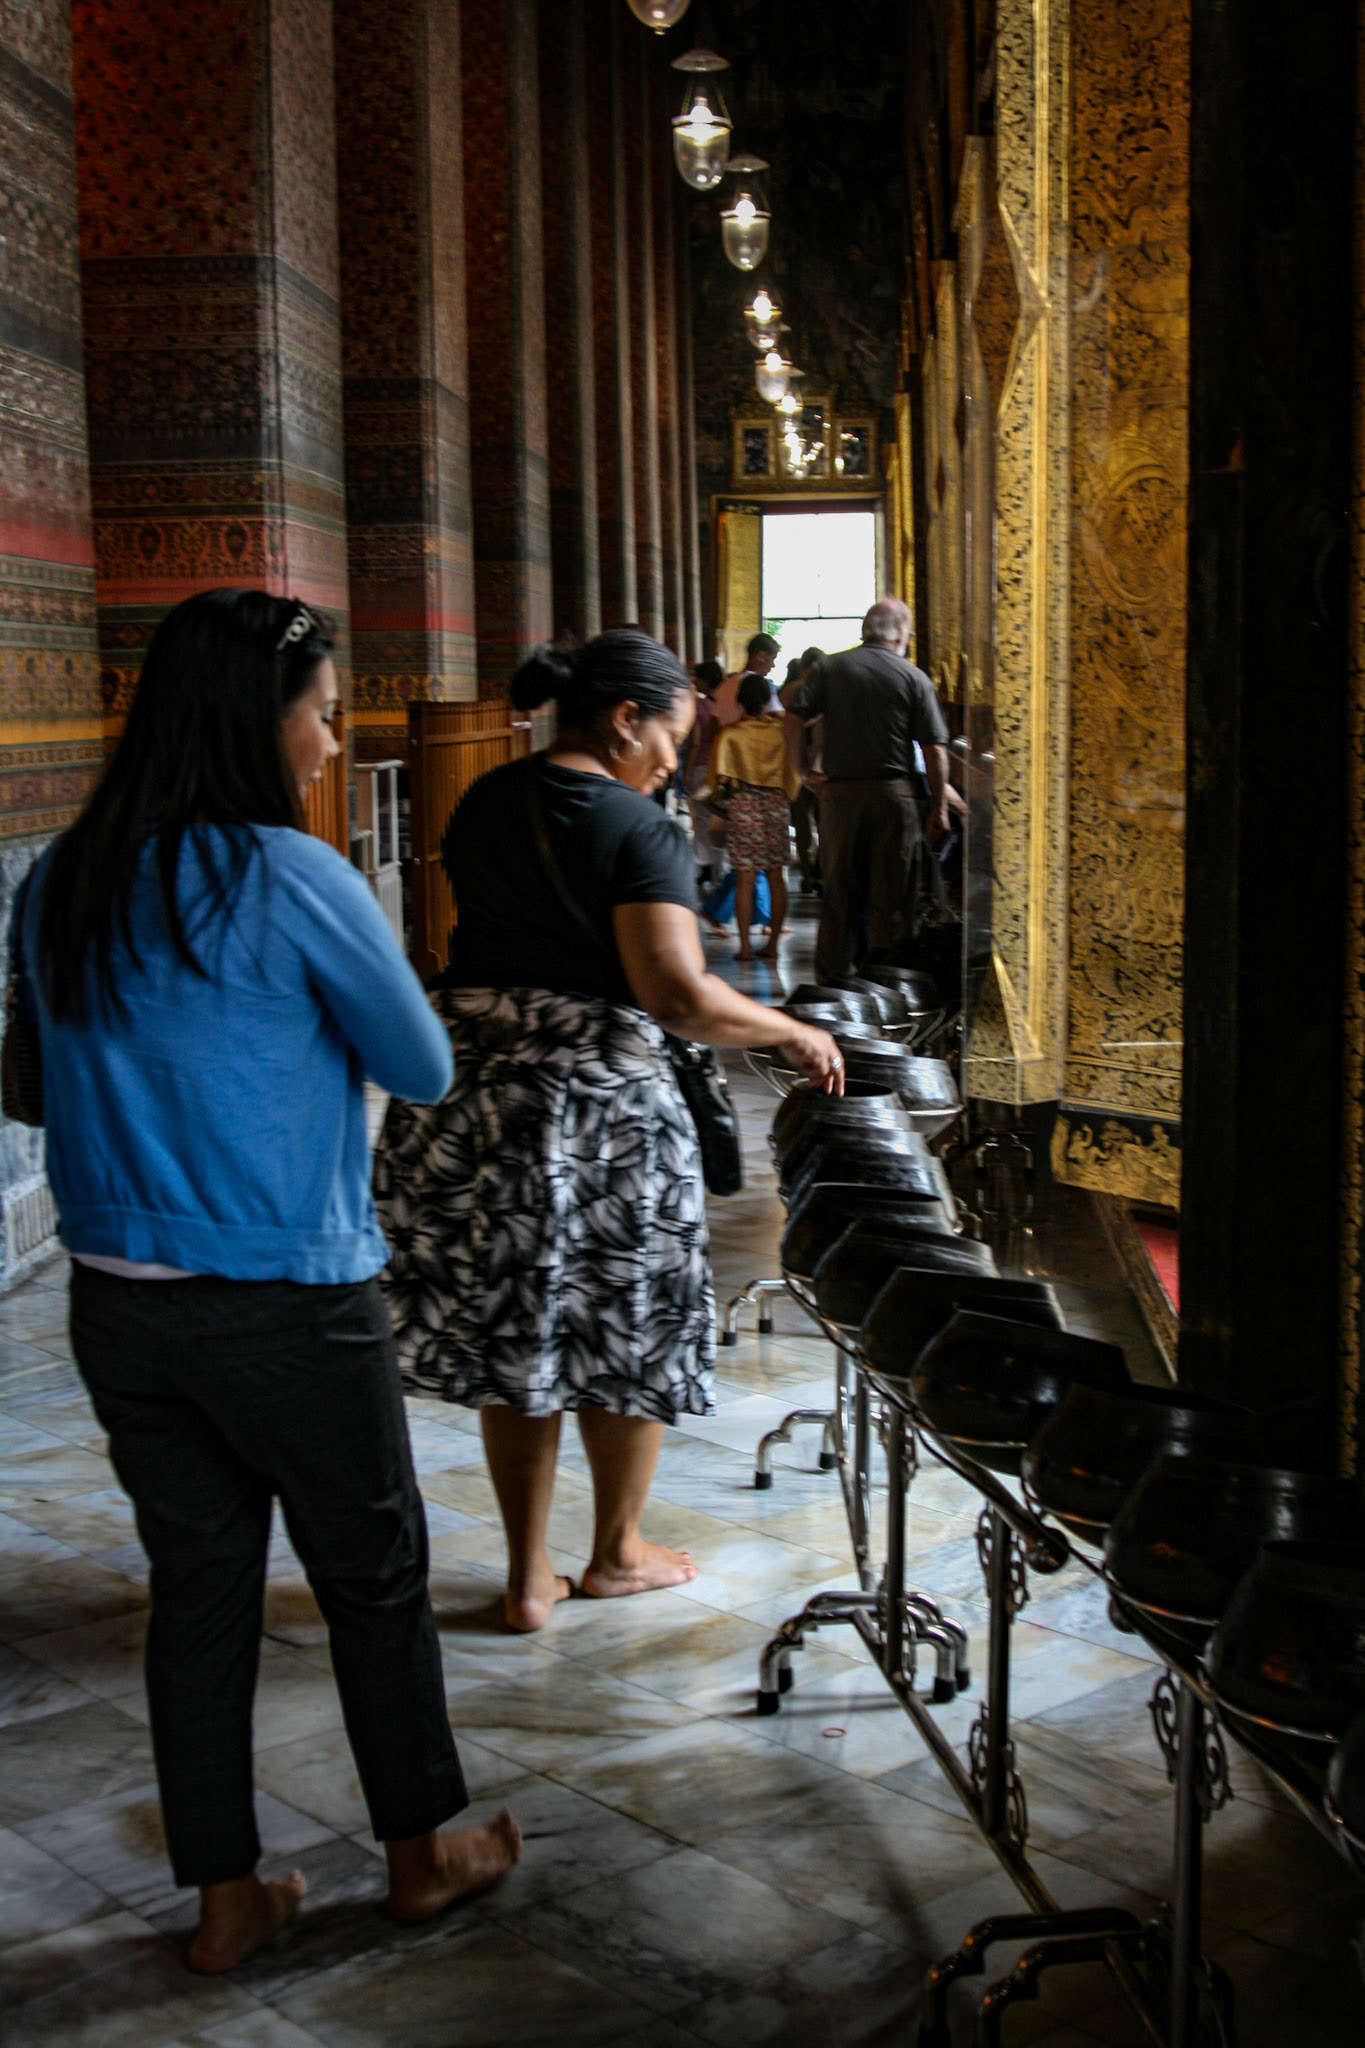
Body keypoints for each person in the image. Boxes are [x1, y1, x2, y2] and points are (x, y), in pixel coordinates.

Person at [23, 589, 520, 1974]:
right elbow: (421, 1063)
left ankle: (226, 1897)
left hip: (116, 1298)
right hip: (284, 1295)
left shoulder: (63, 875)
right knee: (373, 1577)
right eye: (322, 714)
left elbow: (35, 1079)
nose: (329, 742)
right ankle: (419, 1856)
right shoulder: (291, 875)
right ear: (261, 721)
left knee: (197, 1591)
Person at [374, 629, 843, 1634]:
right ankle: (618, 1552)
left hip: (476, 1098)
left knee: (520, 1324)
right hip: (598, 1109)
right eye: (671, 735)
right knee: (625, 1318)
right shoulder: (637, 826)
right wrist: (791, 1030)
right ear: (626, 720)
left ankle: (525, 1574)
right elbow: (676, 994)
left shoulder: (484, 797)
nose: (676, 759)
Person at [782, 597, 951, 983]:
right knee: (892, 899)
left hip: (839, 798)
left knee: (838, 894)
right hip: (894, 798)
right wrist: (939, 806)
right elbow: (935, 749)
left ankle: (832, 987)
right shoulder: (912, 677)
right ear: (901, 634)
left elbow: (792, 717)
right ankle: (884, 986)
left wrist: (803, 770)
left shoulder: (830, 668)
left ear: (865, 631)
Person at [711, 670, 800, 962]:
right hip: (775, 804)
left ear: (739, 701)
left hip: (743, 805)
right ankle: (772, 945)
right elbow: (793, 776)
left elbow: (718, 778)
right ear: (766, 700)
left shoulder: (730, 733)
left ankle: (745, 948)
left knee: (745, 878)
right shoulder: (780, 732)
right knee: (776, 876)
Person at [782, 645, 825, 893]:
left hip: (794, 766)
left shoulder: (788, 691)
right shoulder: (829, 692)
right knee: (826, 823)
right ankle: (822, 872)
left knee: (802, 824)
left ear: (802, 667)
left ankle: (808, 875)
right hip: (823, 766)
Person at [713, 630, 781, 726]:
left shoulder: (724, 685)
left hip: (727, 735)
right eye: (773, 658)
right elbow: (777, 716)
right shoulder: (759, 685)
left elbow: (714, 722)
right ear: (761, 656)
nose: (773, 665)